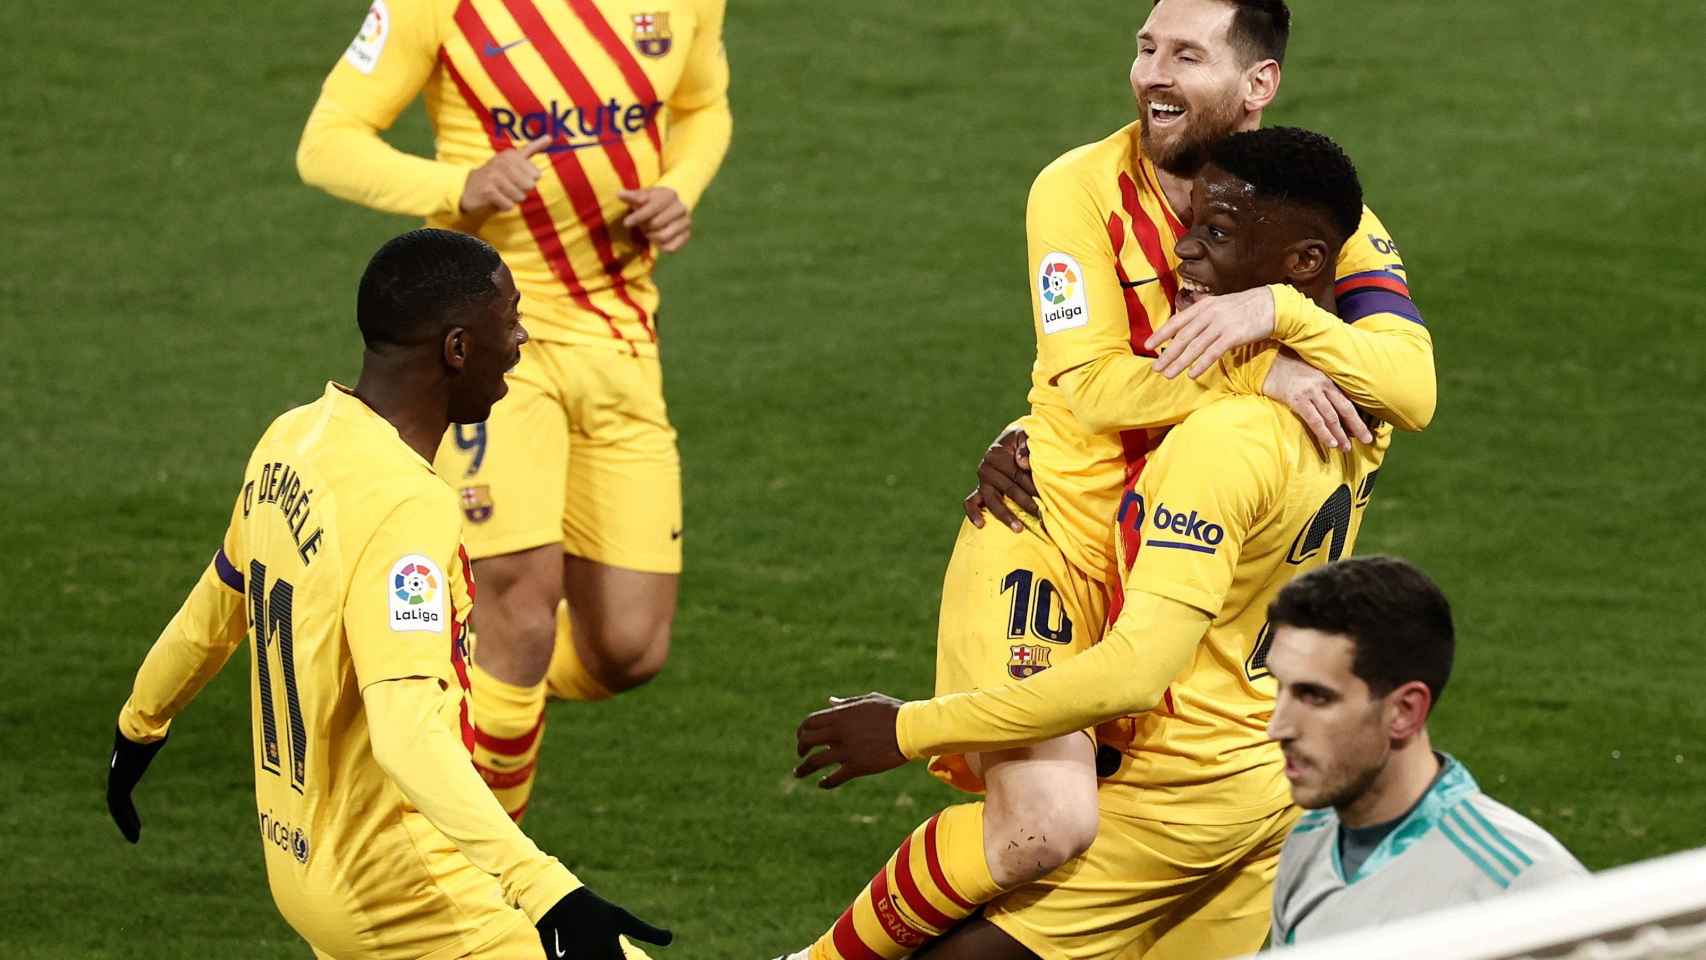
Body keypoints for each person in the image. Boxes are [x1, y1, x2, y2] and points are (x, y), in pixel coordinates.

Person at [780, 1, 1435, 957]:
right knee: (1047, 823)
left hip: (1183, 551)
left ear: (1258, 85)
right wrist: (1264, 365)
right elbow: (1084, 382)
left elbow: (1411, 387)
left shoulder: (1324, 217)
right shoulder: (1079, 189)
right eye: (1144, 48)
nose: (1153, 75)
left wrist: (1279, 316)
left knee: (1125, 813)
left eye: (1186, 55)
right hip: (1054, 531)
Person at [104, 230, 670, 960]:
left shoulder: (291, 440)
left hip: (301, 864)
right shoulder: (408, 511)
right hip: (406, 892)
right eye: (512, 320)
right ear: (458, 349)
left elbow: (216, 606)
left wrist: (140, 722)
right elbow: (404, 729)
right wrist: (547, 888)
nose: (525, 339)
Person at [296, 0, 733, 821]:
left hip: (622, 341)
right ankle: (485, 889)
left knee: (627, 647)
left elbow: (703, 105)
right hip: (490, 342)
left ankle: (444, 685)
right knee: (519, 611)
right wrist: (455, 185)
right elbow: (326, 143)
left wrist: (680, 188)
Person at [1264, 557, 1588, 946]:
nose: (1277, 727)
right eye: (1279, 689)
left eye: (1315, 697)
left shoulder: (1526, 889)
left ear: (1404, 711)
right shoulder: (1308, 843)